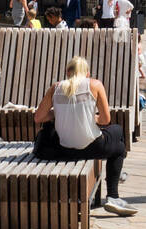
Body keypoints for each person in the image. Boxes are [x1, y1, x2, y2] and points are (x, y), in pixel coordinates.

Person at [34, 57, 137, 216]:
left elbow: (38, 118)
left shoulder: (56, 88)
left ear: (67, 72)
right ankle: (113, 195)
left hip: (65, 149)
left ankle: (117, 178)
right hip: (94, 147)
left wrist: (59, 113)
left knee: (115, 135)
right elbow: (105, 120)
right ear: (87, 73)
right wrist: (88, 116)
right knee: (118, 135)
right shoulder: (95, 85)